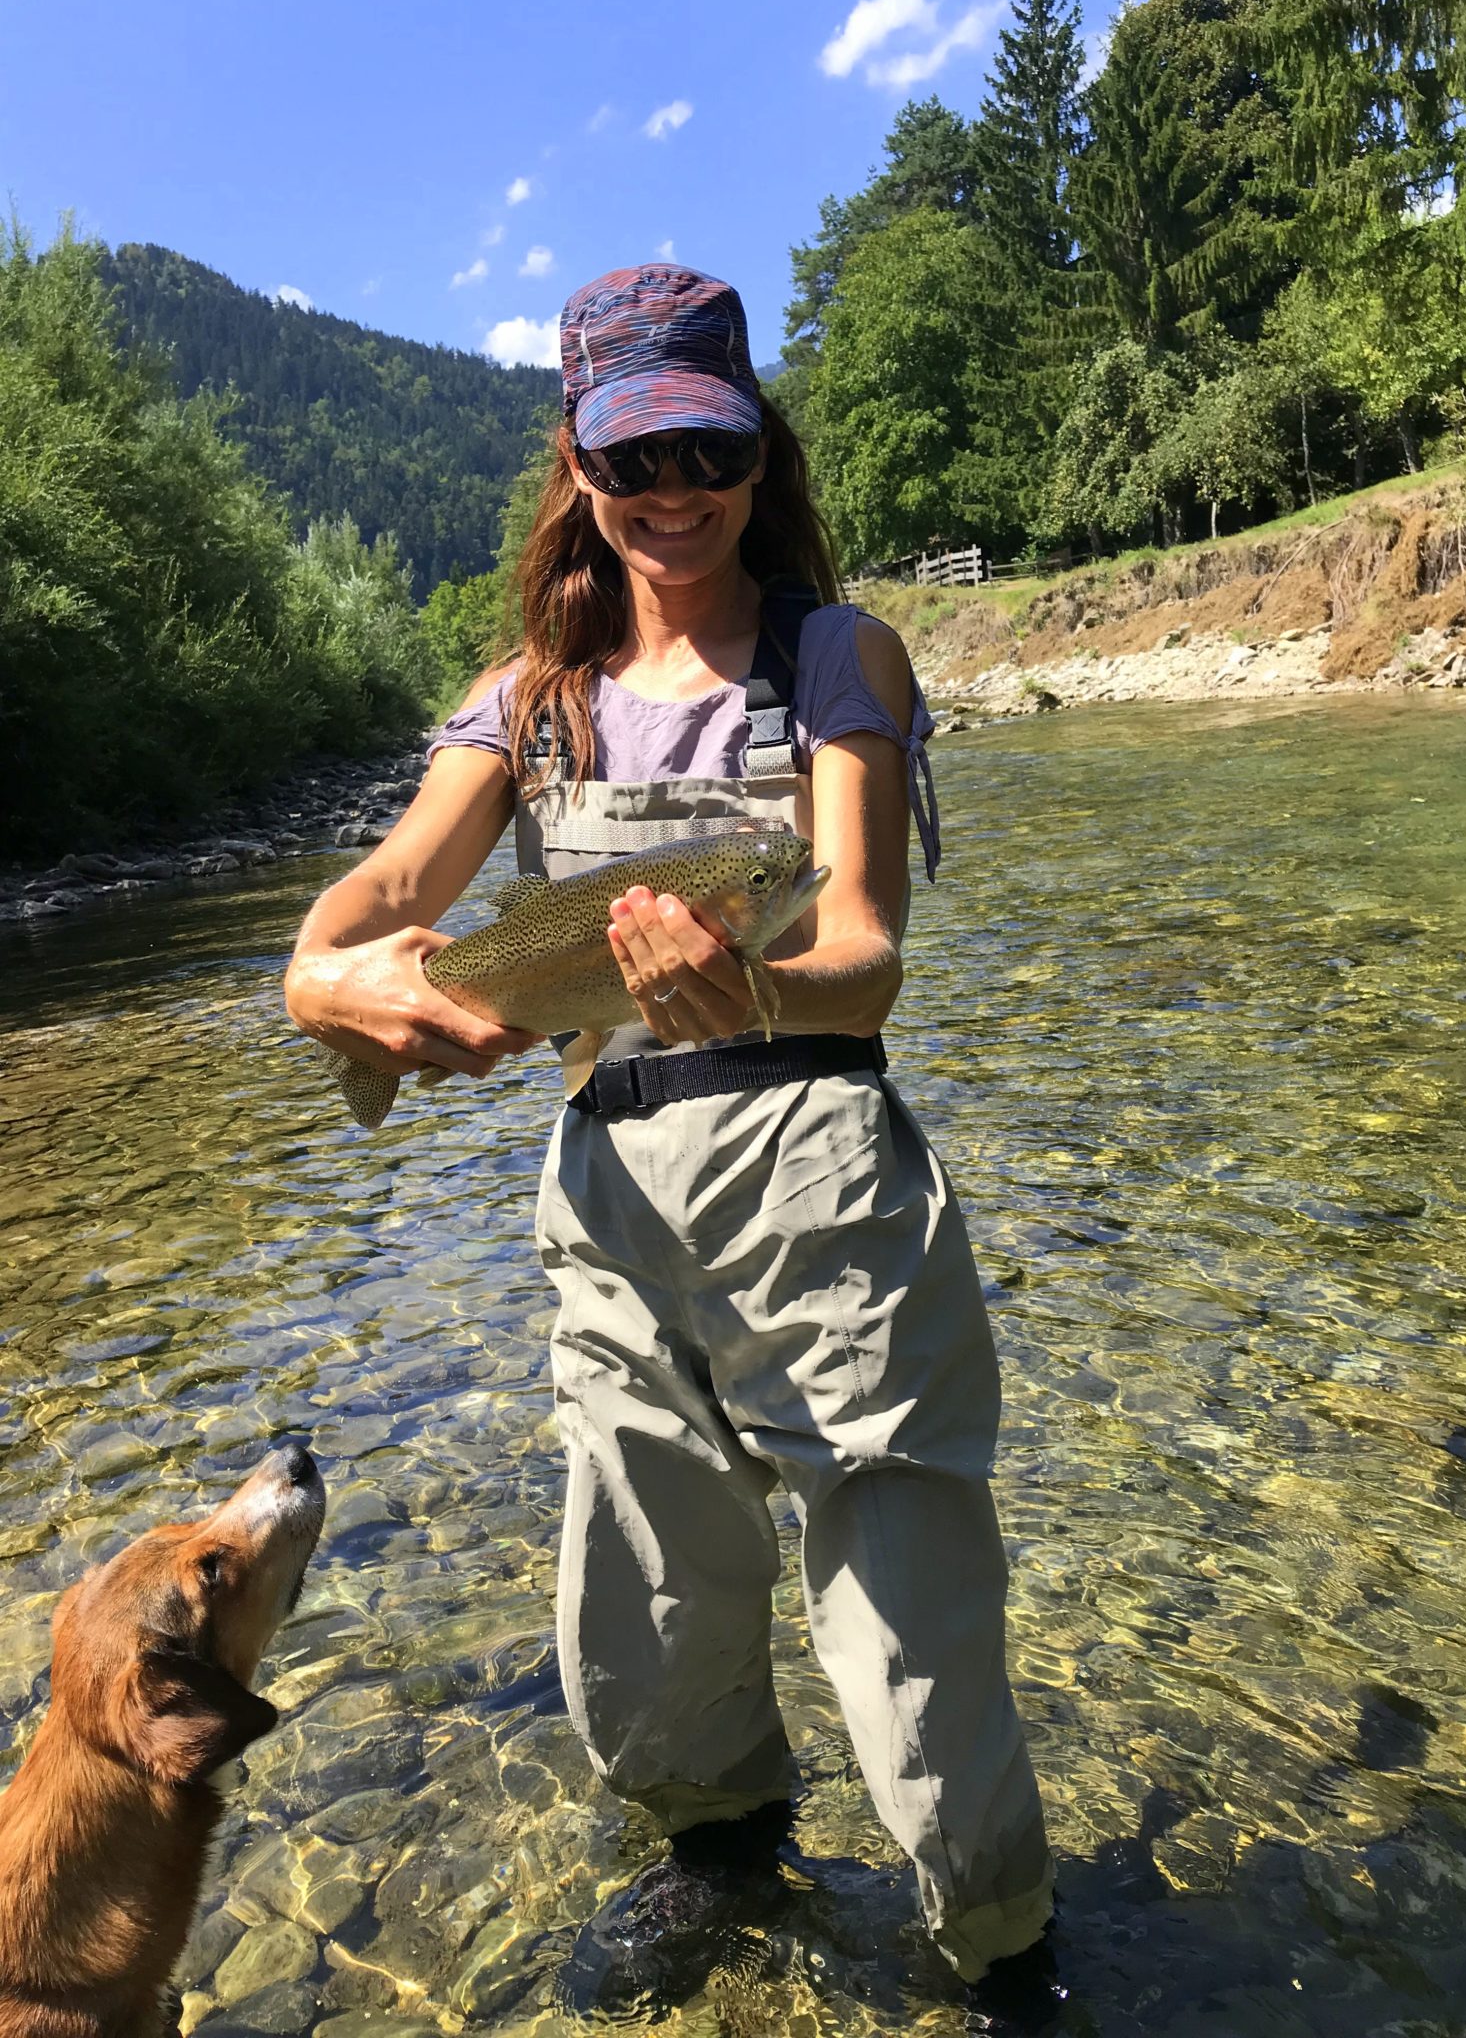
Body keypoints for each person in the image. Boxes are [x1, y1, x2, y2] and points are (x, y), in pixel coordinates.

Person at [285, 263, 1058, 2031]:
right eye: (634, 461)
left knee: (917, 1649)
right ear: (578, 464)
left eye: (706, 446)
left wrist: (752, 984)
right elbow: (389, 894)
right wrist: (321, 982)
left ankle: (1004, 1953)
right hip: (608, 1205)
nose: (674, 493)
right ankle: (723, 1868)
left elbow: (863, 954)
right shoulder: (528, 700)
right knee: (641, 1616)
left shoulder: (838, 653)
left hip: (827, 1189)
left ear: (753, 440)